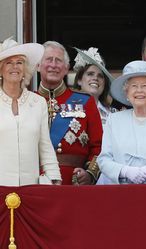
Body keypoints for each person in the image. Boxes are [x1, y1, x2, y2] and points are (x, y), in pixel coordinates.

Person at [37, 41, 103, 185]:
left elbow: (99, 146)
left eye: (58, 61)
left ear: (66, 68)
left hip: (72, 183)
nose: (53, 65)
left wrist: (90, 174)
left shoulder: (85, 102)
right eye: (48, 59)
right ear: (38, 65)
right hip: (33, 180)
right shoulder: (28, 101)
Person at [0, 37, 61, 186]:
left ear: (25, 69)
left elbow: (45, 145)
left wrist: (54, 177)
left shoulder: (38, 102)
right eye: (9, 63)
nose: (15, 67)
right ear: (1, 69)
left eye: (19, 62)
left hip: (30, 187)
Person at [72, 47, 116, 125]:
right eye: (90, 74)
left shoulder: (114, 114)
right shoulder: (67, 109)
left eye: (100, 76)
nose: (95, 78)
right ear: (79, 80)